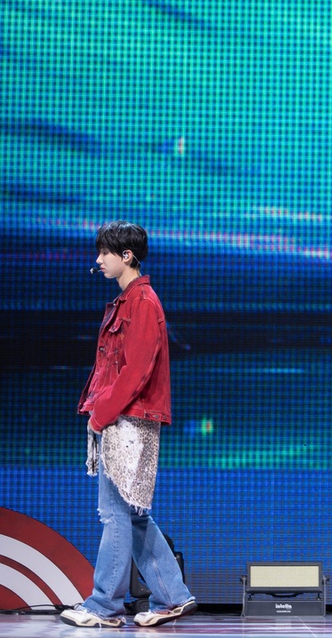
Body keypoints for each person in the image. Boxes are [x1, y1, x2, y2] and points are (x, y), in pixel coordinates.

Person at [60, 221, 197, 628]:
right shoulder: (128, 300)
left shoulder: (143, 302)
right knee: (131, 515)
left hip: (129, 420)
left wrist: (102, 414)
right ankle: (173, 595)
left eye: (105, 252)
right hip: (122, 416)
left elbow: (137, 370)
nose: (98, 259)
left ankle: (104, 605)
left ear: (127, 256)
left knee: (115, 513)